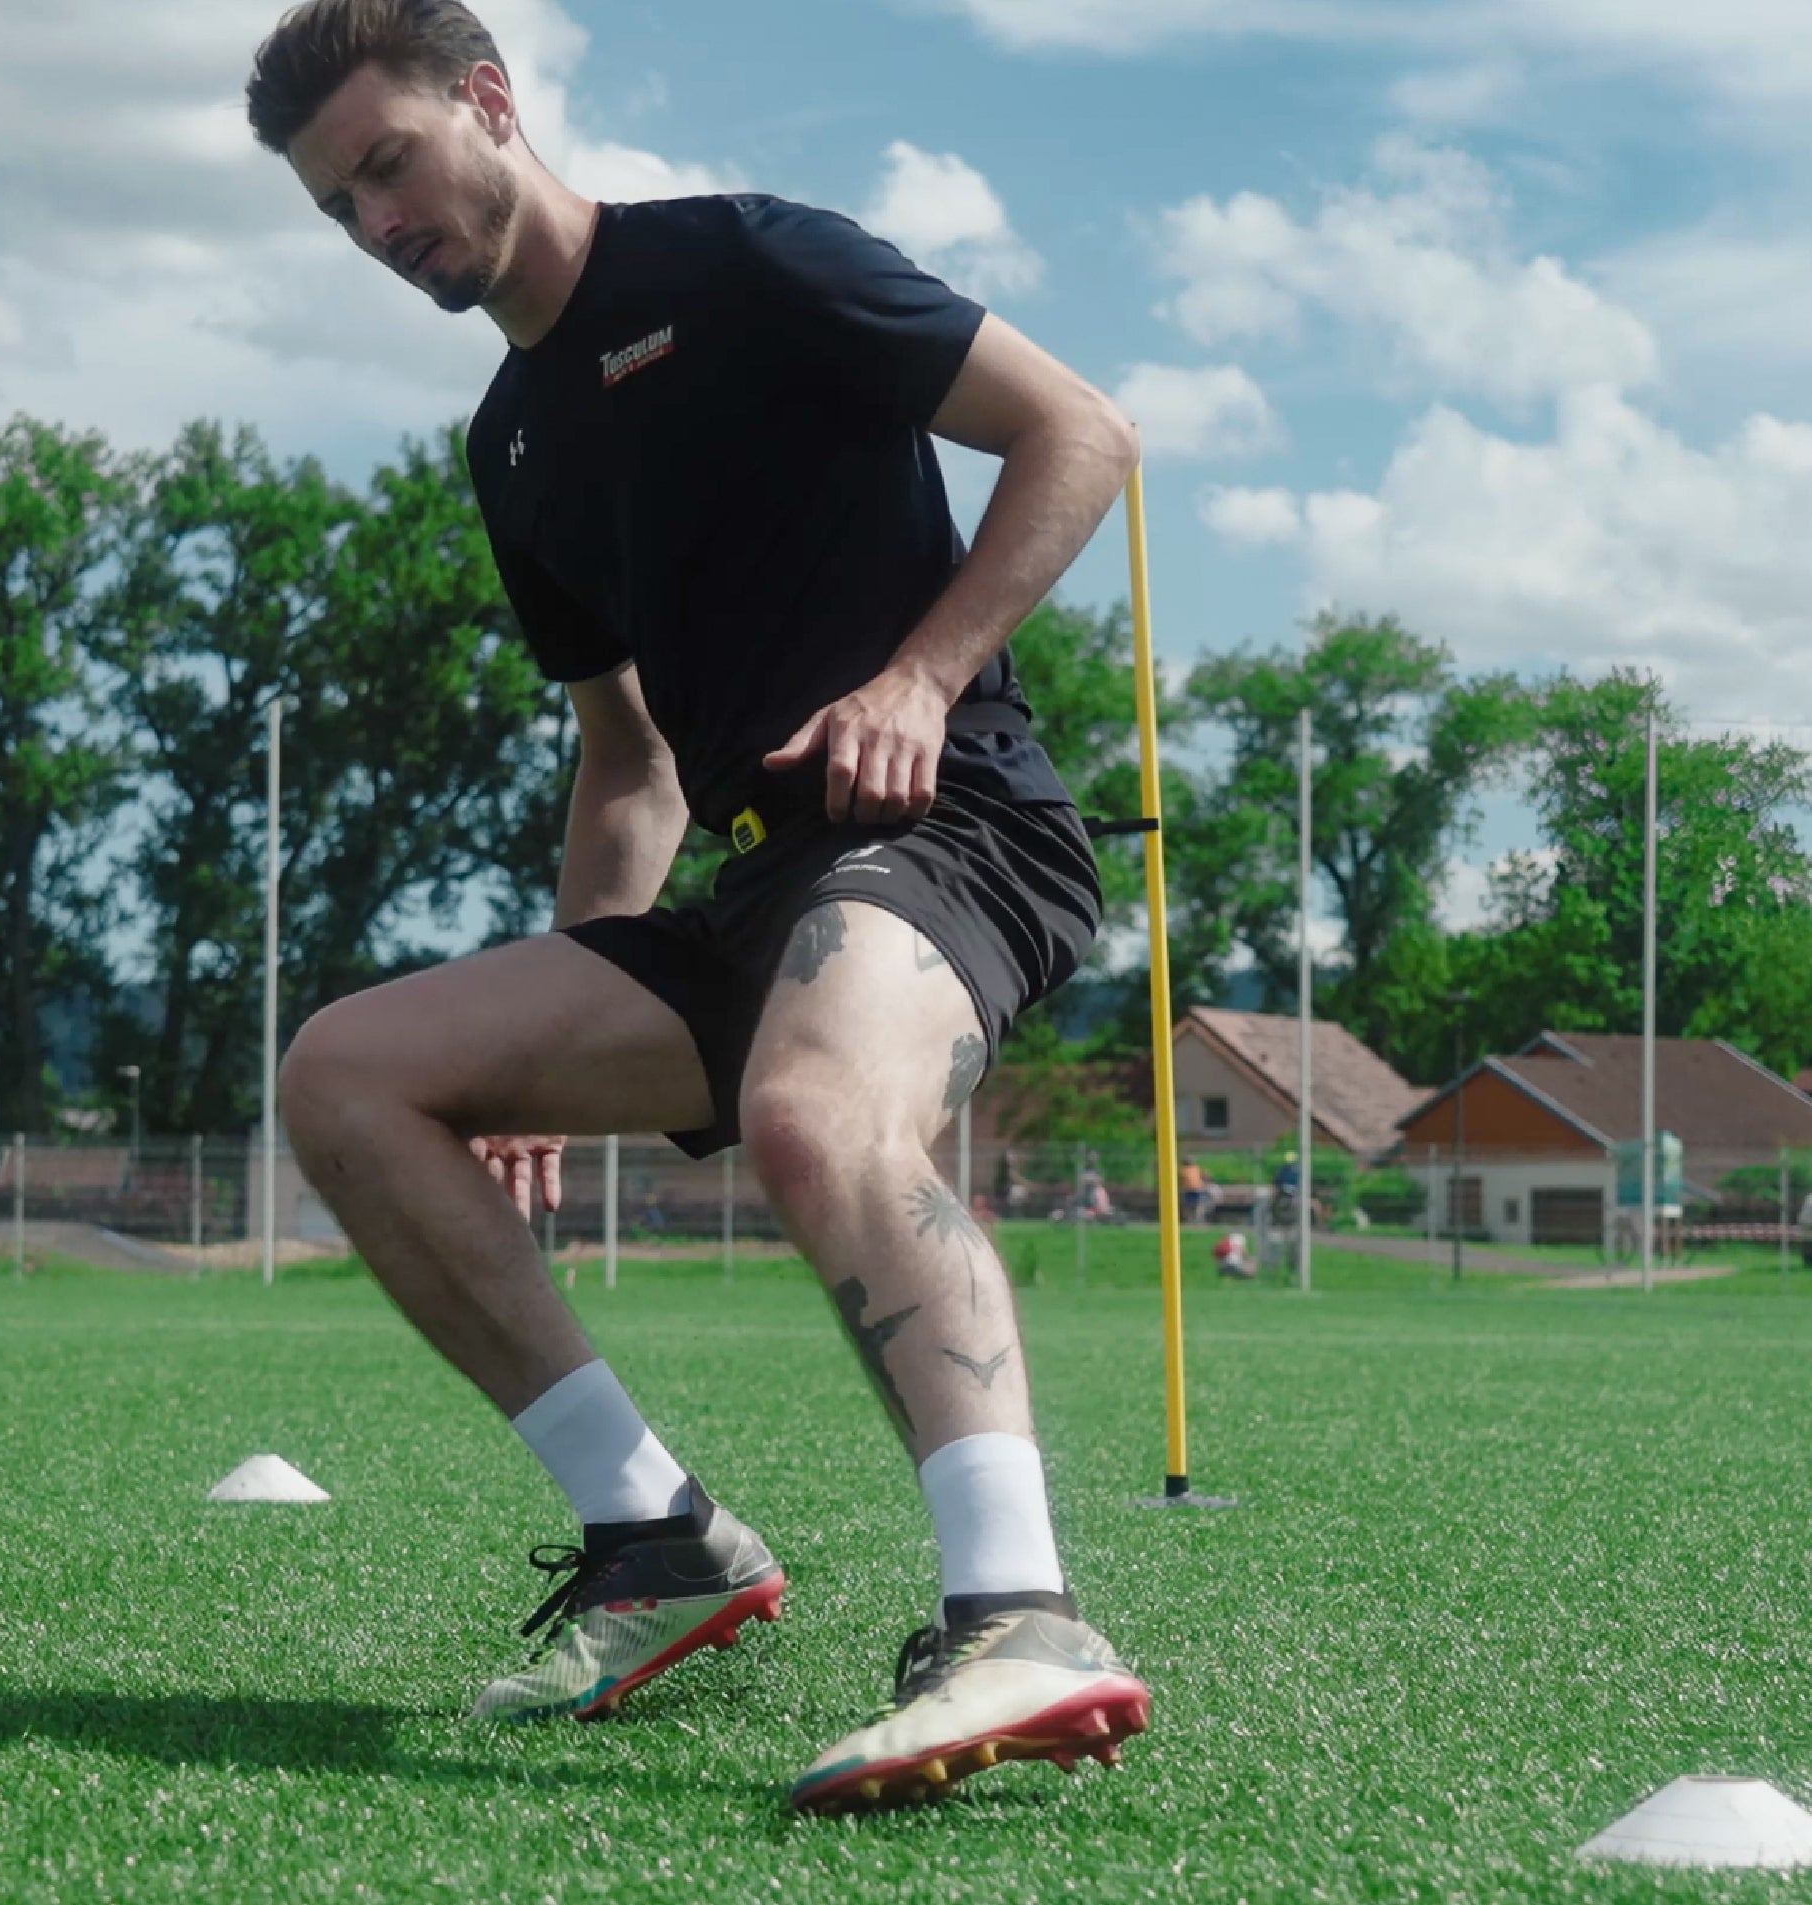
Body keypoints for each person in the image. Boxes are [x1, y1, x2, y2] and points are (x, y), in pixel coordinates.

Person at [246, 0, 1149, 1815]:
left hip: (949, 821)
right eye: (337, 205)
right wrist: (562, 1011)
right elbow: (629, 760)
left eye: (388, 166)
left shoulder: (746, 263)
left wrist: (919, 674)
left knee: (816, 1111)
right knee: (346, 1073)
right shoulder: (514, 444)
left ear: (487, 102)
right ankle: (656, 1541)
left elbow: (1079, 431)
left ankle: (1020, 1611)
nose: (374, 225)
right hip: (752, 889)